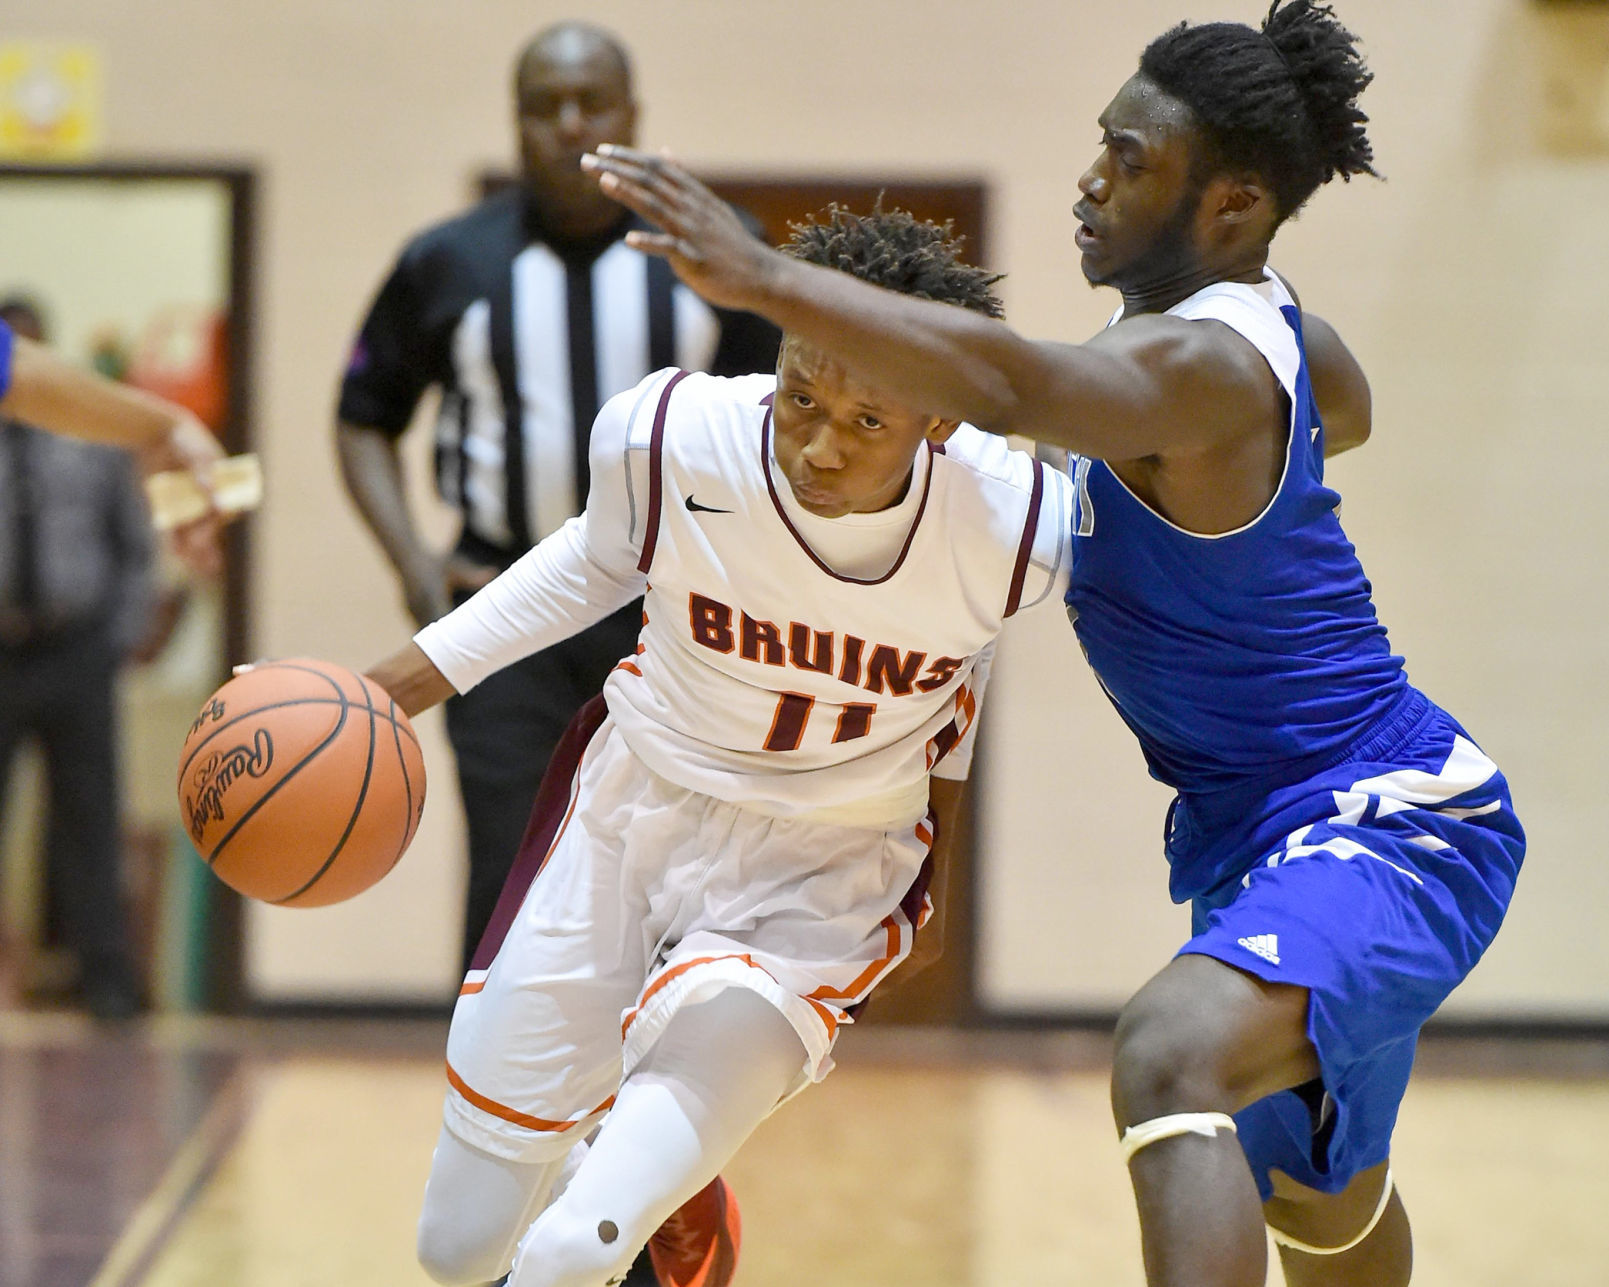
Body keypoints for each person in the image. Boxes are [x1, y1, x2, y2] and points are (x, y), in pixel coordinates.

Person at [582, 3, 1526, 1285]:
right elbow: (1337, 406)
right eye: (1101, 144)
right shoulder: (1256, 348)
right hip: (1259, 842)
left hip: (1390, 816)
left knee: (1165, 1056)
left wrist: (769, 283)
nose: (1091, 177)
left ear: (1232, 204)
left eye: (1130, 159)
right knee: (1320, 1200)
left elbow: (1013, 385)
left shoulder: (1195, 365)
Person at [363, 207, 1070, 1287]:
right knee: (454, 1250)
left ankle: (651, 1187)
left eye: (867, 423)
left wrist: (938, 877)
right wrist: (388, 688)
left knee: (564, 1255)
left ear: (938, 424)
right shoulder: (670, 437)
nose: (820, 445)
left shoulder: (1014, 520)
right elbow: (592, 564)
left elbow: (965, 673)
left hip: (819, 874)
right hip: (631, 815)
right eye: (800, 398)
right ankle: (674, 1185)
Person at [336, 19, 781, 985]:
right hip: (503, 618)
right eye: (544, 107)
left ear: (632, 118)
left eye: (592, 103)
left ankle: (636, 1122)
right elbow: (361, 415)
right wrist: (415, 565)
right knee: (512, 876)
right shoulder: (449, 262)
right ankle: (497, 1120)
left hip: (673, 623)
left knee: (672, 880)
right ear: (514, 121)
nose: (568, 124)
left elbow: (778, 430)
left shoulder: (718, 255)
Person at [0, 297, 158, 1020]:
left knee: (89, 819)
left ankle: (107, 984)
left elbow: (134, 547)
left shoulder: (91, 441)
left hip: (75, 651)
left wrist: (119, 638)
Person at [0, 305, 223, 577]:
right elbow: (19, 371)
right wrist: (167, 429)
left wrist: (165, 428)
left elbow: (16, 370)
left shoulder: (89, 450)